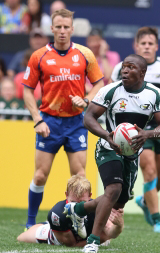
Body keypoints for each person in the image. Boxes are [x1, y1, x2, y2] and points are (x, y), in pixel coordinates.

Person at [64, 54, 160, 253]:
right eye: (123, 67)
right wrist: (107, 135)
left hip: (132, 154)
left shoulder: (154, 94)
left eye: (131, 67)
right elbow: (88, 118)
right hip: (108, 148)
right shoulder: (110, 90)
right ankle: (93, 242)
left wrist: (147, 134)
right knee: (112, 190)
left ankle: (78, 210)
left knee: (119, 201)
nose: (124, 70)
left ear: (142, 72)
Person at [21, 9, 104, 229]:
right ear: (52, 28)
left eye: (66, 27)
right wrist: (38, 119)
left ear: (72, 29)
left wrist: (86, 101)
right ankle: (30, 222)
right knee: (40, 176)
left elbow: (99, 84)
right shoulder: (39, 56)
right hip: (49, 122)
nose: (62, 31)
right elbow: (27, 90)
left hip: (76, 123)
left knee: (80, 178)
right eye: (58, 27)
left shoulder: (85, 54)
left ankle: (81, 223)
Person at [110, 27, 160, 233]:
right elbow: (111, 93)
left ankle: (144, 200)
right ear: (136, 45)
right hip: (137, 129)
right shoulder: (122, 67)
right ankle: (157, 219)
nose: (146, 46)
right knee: (150, 171)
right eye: (143, 43)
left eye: (150, 43)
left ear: (157, 46)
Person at [17, 175, 124, 247]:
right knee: (21, 238)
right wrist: (99, 239)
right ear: (66, 195)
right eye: (73, 202)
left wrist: (118, 226)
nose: (76, 207)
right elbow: (72, 245)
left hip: (86, 234)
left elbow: (111, 233)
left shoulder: (98, 208)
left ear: (90, 197)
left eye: (82, 202)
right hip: (58, 235)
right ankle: (48, 225)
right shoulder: (58, 213)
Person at [85, 28, 120, 93]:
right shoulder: (83, 57)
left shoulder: (113, 56)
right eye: (91, 41)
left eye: (97, 40)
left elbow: (109, 76)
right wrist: (93, 93)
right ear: (87, 42)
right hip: (89, 94)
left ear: (103, 42)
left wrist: (103, 56)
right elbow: (80, 80)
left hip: (107, 94)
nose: (94, 44)